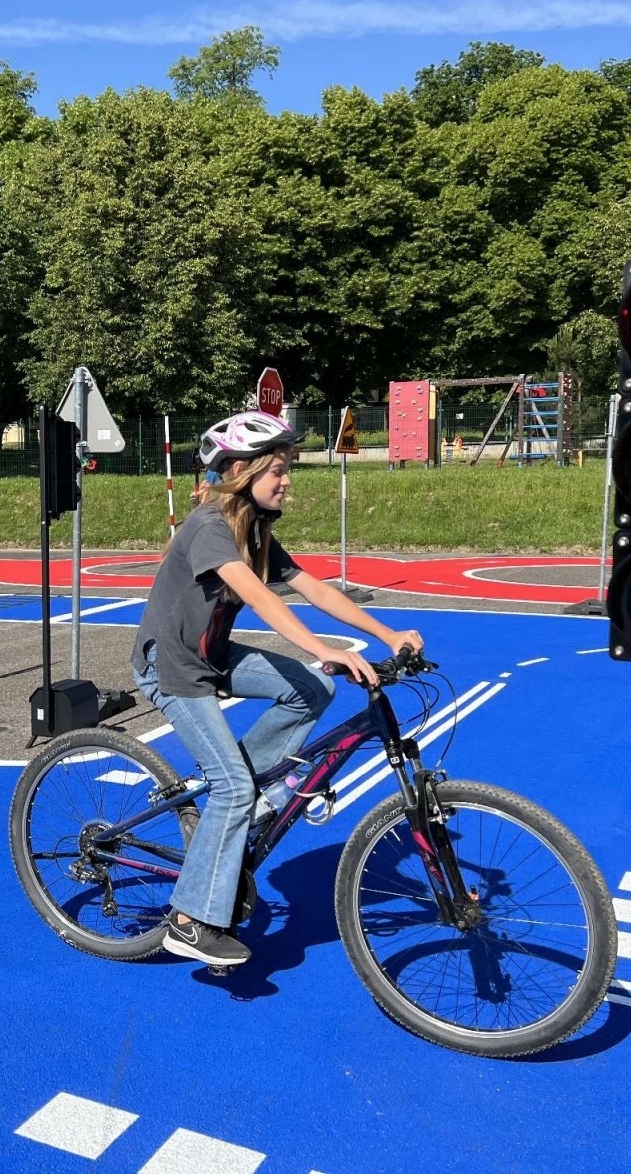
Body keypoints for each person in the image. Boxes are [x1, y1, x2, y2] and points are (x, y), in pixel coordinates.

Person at [132, 410, 424, 967]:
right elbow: (262, 599)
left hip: (211, 656)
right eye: (278, 469)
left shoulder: (256, 527)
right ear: (240, 470)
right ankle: (189, 921)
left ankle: (236, 792)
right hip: (170, 666)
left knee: (314, 690)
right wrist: (324, 648)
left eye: (288, 468)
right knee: (235, 788)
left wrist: (387, 634)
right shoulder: (208, 526)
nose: (287, 478)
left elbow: (309, 585)